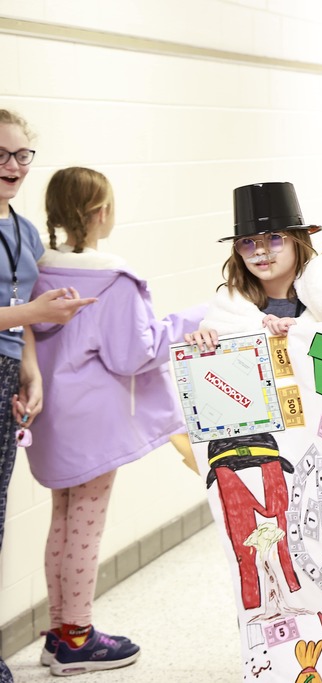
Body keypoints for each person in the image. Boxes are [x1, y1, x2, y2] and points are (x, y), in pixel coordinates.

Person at [28, 167, 205, 676]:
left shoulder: (37, 272)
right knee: (86, 526)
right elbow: (134, 354)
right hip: (94, 426)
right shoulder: (113, 280)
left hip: (53, 419)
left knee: (62, 521)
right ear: (101, 213)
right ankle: (78, 638)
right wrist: (193, 320)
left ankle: (59, 633)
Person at [0, 110, 96, 683]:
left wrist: (29, 371)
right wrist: (32, 313)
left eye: (21, 155)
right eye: (0, 155)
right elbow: (25, 310)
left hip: (6, 372)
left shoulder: (25, 231)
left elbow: (24, 315)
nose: (12, 166)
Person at [184, 182, 321, 350]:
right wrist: (203, 342)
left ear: (298, 242)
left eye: (274, 238)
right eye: (247, 242)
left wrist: (298, 328)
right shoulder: (228, 305)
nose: (259, 250)